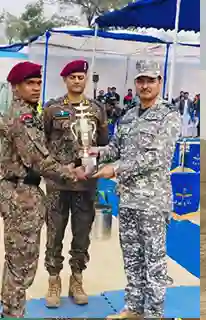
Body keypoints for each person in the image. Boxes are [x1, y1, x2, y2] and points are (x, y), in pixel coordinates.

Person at [91, 60, 181, 318]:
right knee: (131, 258)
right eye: (140, 80)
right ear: (135, 83)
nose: (145, 85)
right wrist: (91, 153)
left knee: (154, 262)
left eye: (150, 80)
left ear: (159, 82)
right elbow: (114, 150)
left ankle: (153, 313)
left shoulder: (168, 115)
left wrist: (115, 169)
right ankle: (134, 307)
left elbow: (156, 157)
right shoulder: (129, 116)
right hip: (128, 199)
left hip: (152, 201)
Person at [0, 61, 87, 318]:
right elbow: (39, 160)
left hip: (18, 190)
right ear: (16, 87)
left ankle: (9, 307)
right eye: (30, 83)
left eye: (39, 82)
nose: (36, 87)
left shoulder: (27, 111)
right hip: (21, 195)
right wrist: (72, 172)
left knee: (15, 259)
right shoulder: (23, 117)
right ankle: (14, 312)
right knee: (22, 264)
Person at [41, 59, 109, 308]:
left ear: (86, 79)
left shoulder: (97, 109)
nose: (77, 81)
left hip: (86, 185)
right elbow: (43, 143)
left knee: (81, 235)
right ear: (65, 80)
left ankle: (77, 278)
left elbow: (104, 143)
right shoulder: (51, 108)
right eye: (73, 77)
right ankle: (53, 279)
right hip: (58, 185)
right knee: (54, 234)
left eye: (81, 76)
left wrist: (93, 165)